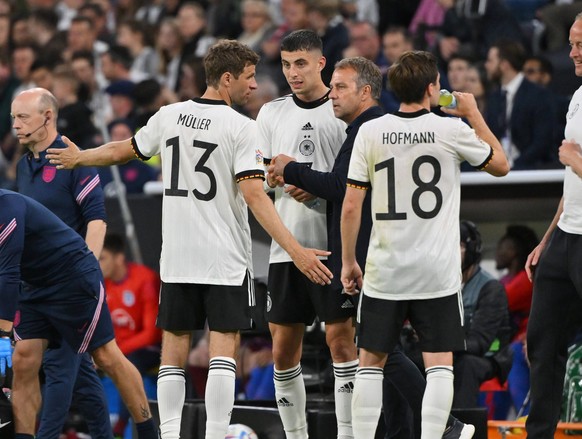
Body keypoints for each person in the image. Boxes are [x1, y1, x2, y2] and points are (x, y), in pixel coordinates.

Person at [46, 39, 332, 439]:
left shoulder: (170, 115)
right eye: (249, 78)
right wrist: (296, 250)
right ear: (227, 78)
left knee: (174, 349)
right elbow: (253, 196)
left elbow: (124, 150)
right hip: (224, 257)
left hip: (178, 255)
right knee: (223, 346)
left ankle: (170, 434)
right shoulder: (241, 127)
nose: (254, 87)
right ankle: (215, 434)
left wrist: (80, 158)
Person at [268, 55, 474, 439]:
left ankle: (447, 426)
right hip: (396, 256)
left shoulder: (371, 128)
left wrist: (294, 169)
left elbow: (344, 191)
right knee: (379, 350)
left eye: (341, 87)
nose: (332, 94)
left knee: (376, 351)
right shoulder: (368, 128)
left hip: (376, 257)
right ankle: (411, 429)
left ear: (366, 91)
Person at [340, 50, 509, 439]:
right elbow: (501, 165)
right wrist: (472, 114)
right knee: (439, 366)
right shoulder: (450, 130)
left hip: (385, 269)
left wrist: (350, 261)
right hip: (436, 271)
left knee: (370, 364)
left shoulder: (372, 130)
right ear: (433, 88)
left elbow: (351, 205)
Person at [0, 189, 158, 439]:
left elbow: (6, 274)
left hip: (72, 277)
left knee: (106, 355)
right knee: (24, 360)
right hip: (32, 285)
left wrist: (2, 334)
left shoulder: (7, 206)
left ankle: (150, 433)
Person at [257, 29, 352, 439]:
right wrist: (279, 179)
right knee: (282, 350)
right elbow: (258, 180)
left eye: (300, 63)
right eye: (285, 64)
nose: (292, 72)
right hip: (288, 248)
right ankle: (296, 436)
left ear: (320, 63)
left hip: (334, 245)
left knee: (341, 343)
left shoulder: (343, 109)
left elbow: (355, 181)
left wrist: (312, 181)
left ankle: (349, 433)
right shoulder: (270, 113)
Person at [12, 87, 112, 439]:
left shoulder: (75, 160)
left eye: (23, 117)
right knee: (82, 376)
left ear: (48, 117)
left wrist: (86, 270)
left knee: (57, 367)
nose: (16, 125)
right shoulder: (24, 167)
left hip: (70, 284)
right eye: (13, 118)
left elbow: (97, 220)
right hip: (37, 285)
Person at [524, 13, 582, 439]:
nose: (572, 52)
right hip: (566, 237)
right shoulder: (577, 96)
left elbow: (573, 165)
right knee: (541, 345)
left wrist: (576, 160)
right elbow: (570, 183)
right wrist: (547, 239)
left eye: (580, 44)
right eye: (571, 43)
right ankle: (539, 434)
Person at [99, 232, 162, 438]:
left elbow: (151, 334)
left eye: (102, 258)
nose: (97, 264)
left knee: (130, 363)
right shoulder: (101, 284)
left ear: (119, 258)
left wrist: (116, 352)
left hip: (149, 349)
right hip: (118, 348)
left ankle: (124, 423)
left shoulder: (145, 279)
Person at [453, 220, 512, 409]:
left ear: (472, 250)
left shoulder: (490, 288)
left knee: (465, 365)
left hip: (489, 357)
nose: (451, 252)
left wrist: (441, 346)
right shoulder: (437, 287)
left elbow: (479, 343)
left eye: (459, 246)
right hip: (452, 351)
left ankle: (460, 429)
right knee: (409, 362)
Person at [484, 39, 556, 170]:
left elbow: (542, 142)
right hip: (499, 171)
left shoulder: (538, 95)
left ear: (504, 65)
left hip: (532, 171)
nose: (486, 65)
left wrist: (516, 165)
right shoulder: (494, 97)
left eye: (490, 61)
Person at [495, 224, 538, 416]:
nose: (497, 252)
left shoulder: (526, 279)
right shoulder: (505, 280)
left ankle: (527, 420)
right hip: (507, 345)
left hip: (524, 345)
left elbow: (495, 304)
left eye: (502, 247)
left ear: (514, 251)